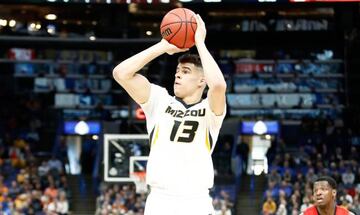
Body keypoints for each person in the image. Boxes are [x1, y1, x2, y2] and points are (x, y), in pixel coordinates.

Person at [112, 14, 227, 215]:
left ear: (202, 81)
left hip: (196, 200)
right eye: (177, 71)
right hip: (160, 200)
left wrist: (199, 42)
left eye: (185, 71)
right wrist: (163, 46)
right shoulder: (159, 100)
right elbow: (121, 74)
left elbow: (218, 85)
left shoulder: (210, 111)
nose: (178, 74)